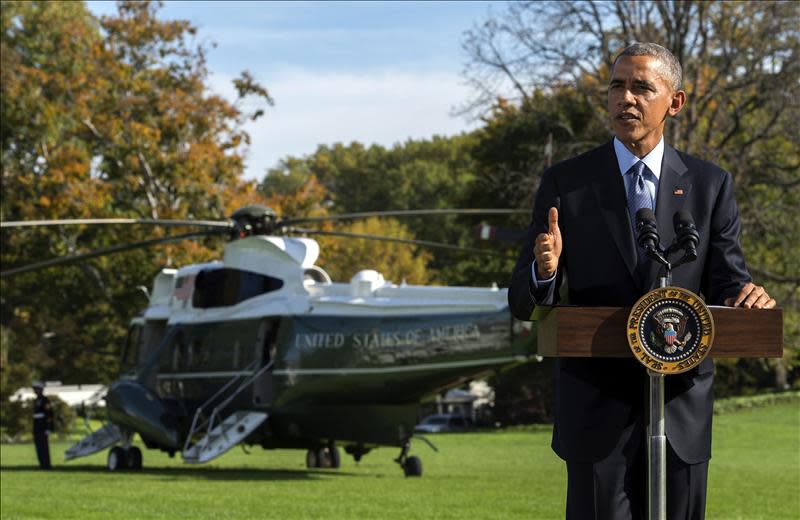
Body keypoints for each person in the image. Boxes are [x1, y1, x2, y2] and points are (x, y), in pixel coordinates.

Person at [508, 42, 776, 520]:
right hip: (596, 412)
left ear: (675, 102)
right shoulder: (567, 183)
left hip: (681, 412)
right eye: (616, 86)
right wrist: (544, 272)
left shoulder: (710, 185)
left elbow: (728, 281)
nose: (625, 98)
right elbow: (523, 301)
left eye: (641, 87)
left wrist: (746, 296)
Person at [31, 380, 54, 469]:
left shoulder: (45, 400)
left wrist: (48, 427)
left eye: (36, 389)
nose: (35, 391)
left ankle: (46, 465)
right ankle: (41, 464)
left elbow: (49, 414)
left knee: (44, 447)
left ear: (41, 390)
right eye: (34, 389)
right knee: (38, 447)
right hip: (37, 426)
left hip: (43, 427)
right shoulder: (36, 400)